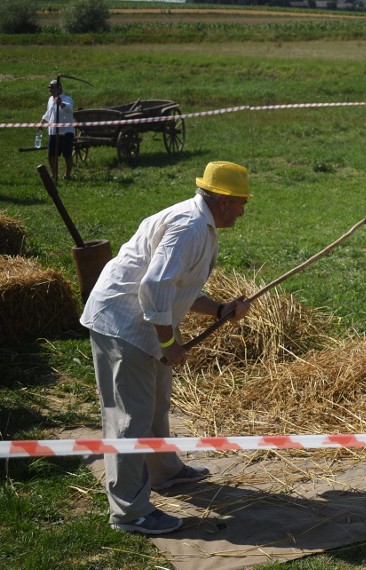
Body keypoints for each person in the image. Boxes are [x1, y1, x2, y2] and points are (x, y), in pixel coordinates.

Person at [80, 161, 254, 535]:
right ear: (223, 201)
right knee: (128, 419)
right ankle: (130, 512)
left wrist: (220, 310)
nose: (243, 210)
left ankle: (164, 472)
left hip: (144, 325)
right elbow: (154, 288)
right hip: (123, 326)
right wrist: (170, 342)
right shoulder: (190, 227)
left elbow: (178, 287)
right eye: (241, 202)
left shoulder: (203, 224)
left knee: (156, 405)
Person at [39, 79, 75, 180]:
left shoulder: (67, 98)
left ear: (59, 88)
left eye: (52, 87)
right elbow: (48, 113)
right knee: (51, 154)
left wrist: (61, 104)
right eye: (49, 87)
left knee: (67, 154)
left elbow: (69, 109)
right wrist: (42, 123)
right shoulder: (50, 99)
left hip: (66, 131)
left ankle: (68, 174)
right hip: (54, 131)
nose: (50, 89)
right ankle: (54, 174)